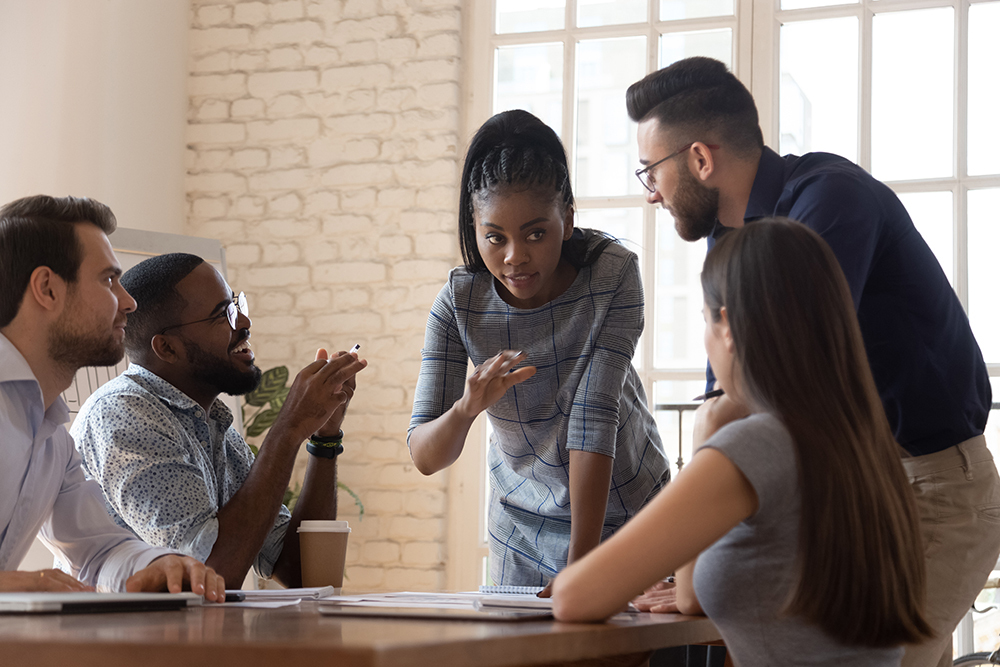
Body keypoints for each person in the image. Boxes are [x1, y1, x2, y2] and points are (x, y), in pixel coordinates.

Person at [625, 57, 1000, 666]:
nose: (650, 195)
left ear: (700, 158)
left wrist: (694, 545)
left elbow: (776, 379)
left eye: (651, 171)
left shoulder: (832, 200)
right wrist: (694, 562)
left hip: (932, 492)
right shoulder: (729, 244)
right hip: (856, 497)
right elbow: (725, 402)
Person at [552, 218, 933, 665]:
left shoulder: (760, 446)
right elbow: (691, 597)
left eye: (706, 321)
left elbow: (574, 596)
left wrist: (707, 437)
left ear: (728, 325)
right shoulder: (864, 445)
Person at [408, 109, 669, 587]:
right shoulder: (459, 303)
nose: (515, 257)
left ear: (567, 219)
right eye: (495, 237)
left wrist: (581, 568)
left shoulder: (611, 275)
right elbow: (425, 455)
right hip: (520, 530)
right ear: (474, 227)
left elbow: (593, 417)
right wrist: (466, 409)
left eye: (535, 233)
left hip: (631, 515)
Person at [70, 253, 366, 588]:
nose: (243, 323)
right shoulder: (123, 416)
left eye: (237, 305)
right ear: (167, 348)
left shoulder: (215, 427)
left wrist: (324, 437)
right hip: (120, 639)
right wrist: (287, 430)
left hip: (185, 637)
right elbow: (210, 577)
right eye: (221, 315)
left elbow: (302, 572)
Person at [0, 194, 224, 598]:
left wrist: (160, 564)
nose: (129, 302)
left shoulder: (51, 433)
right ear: (48, 289)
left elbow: (97, 551)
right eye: (108, 279)